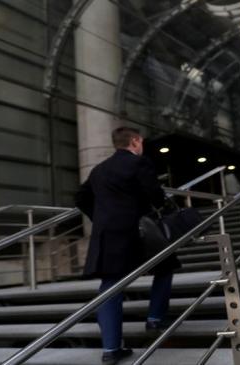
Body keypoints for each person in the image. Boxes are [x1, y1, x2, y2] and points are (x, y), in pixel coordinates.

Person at [75, 127, 180, 365]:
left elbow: (80, 198)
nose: (141, 146)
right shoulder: (139, 163)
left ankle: (111, 350)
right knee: (165, 265)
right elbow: (154, 194)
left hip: (107, 234)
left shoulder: (99, 170)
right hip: (137, 232)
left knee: (111, 286)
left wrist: (102, 216)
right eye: (140, 141)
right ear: (134, 141)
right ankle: (155, 318)